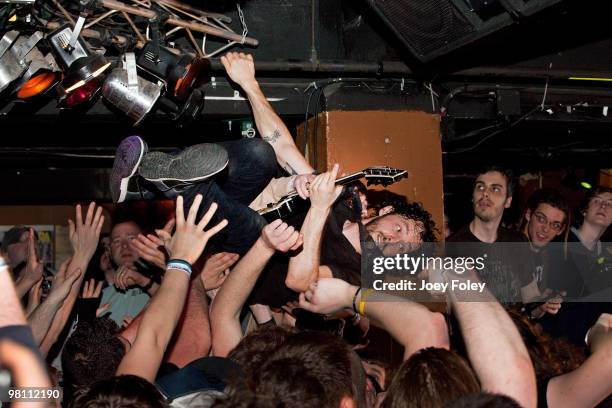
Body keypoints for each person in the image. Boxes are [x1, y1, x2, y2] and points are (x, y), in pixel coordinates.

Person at [447, 167, 541, 304]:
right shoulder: (452, 248)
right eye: (480, 187)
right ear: (472, 197)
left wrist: (542, 306)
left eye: (495, 189)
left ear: (508, 201)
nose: (485, 193)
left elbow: (530, 297)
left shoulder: (517, 243)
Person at [519, 188, 569, 319]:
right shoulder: (510, 247)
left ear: (560, 230)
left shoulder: (545, 255)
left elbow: (532, 313)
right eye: (541, 219)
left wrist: (543, 305)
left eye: (555, 225)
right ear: (529, 214)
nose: (546, 229)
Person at [99, 219, 159, 326]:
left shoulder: (164, 280)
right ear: (109, 251)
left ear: (145, 243)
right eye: (117, 241)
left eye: (131, 238)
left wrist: (143, 281)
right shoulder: (100, 296)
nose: (125, 246)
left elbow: (174, 302)